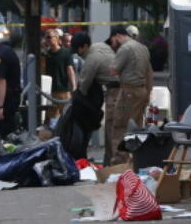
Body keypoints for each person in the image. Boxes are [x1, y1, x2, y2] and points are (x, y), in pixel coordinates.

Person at [64, 32, 115, 160]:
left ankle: (113, 162)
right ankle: (110, 161)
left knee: (113, 129)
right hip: (118, 88)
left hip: (116, 90)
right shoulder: (99, 46)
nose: (76, 53)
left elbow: (83, 89)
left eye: (78, 49)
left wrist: (76, 99)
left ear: (85, 46)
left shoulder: (91, 60)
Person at [106, 24, 152, 165]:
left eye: (113, 40)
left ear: (117, 36)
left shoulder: (125, 48)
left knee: (120, 125)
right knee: (136, 126)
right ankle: (137, 160)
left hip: (128, 92)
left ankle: (119, 162)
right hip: (142, 91)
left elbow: (113, 71)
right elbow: (149, 72)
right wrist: (148, 92)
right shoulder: (142, 48)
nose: (112, 44)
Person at [44, 28, 76, 120]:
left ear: (57, 38)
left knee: (66, 116)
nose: (47, 40)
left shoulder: (66, 53)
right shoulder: (46, 54)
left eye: (49, 37)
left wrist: (73, 87)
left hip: (64, 91)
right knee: (52, 118)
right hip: (50, 91)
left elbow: (70, 70)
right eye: (46, 38)